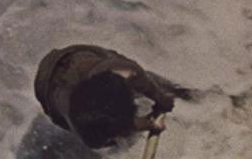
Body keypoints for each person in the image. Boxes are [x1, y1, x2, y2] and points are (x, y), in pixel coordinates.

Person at [33, 44, 185, 148]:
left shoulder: (127, 71)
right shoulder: (82, 126)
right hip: (46, 85)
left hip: (75, 55)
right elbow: (101, 136)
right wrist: (148, 125)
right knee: (110, 141)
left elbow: (140, 79)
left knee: (153, 83)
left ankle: (186, 93)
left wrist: (162, 99)